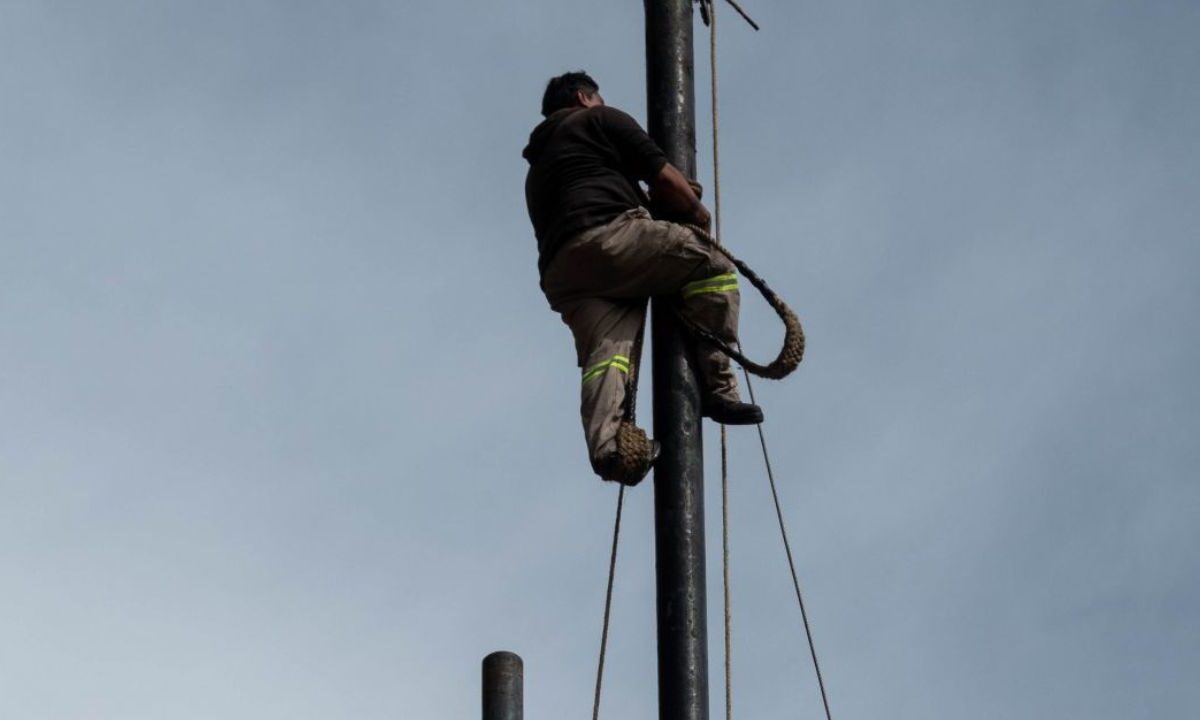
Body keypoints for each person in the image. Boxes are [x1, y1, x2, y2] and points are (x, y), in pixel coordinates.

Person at [522, 71, 763, 485]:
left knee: (608, 354)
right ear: (585, 97)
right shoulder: (600, 120)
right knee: (713, 267)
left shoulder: (538, 169)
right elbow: (663, 176)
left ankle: (611, 450)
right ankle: (719, 388)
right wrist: (696, 214)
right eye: (598, 97)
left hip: (566, 273)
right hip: (612, 240)